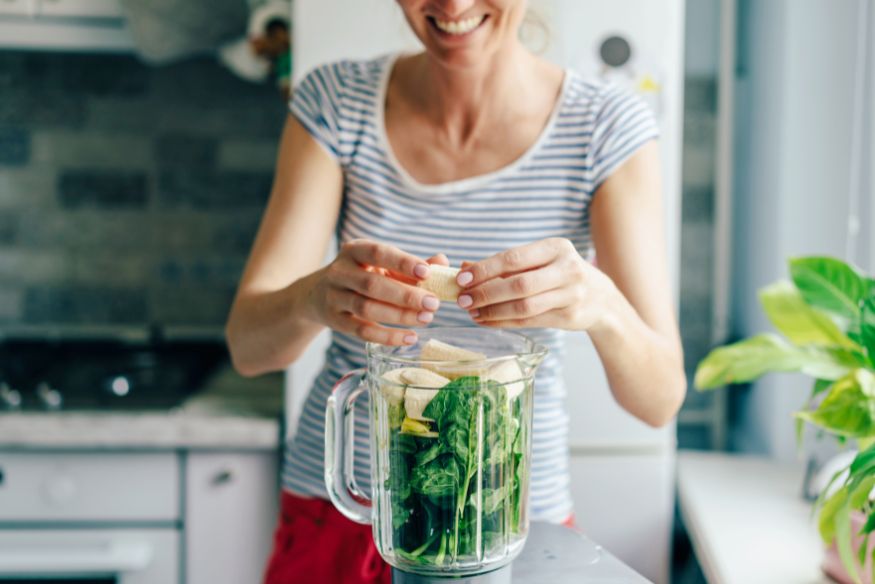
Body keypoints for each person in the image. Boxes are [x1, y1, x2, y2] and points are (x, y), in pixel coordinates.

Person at [225, 1, 686, 582]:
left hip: (506, 526)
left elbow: (659, 399)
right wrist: (315, 297)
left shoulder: (606, 126)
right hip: (343, 514)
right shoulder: (336, 101)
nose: (453, 4)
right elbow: (249, 347)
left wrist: (600, 303)